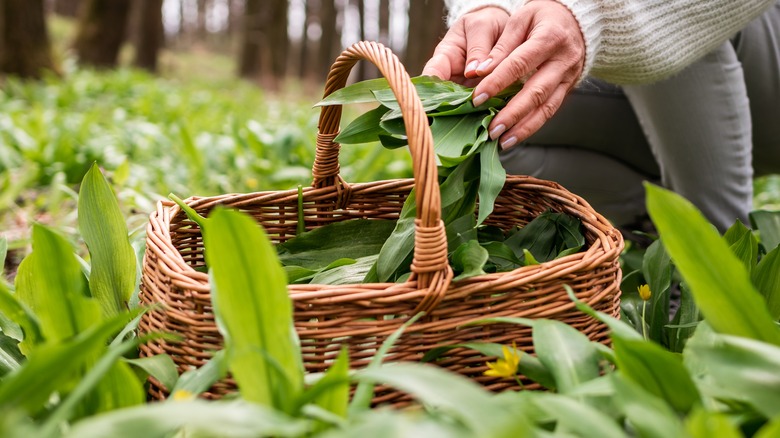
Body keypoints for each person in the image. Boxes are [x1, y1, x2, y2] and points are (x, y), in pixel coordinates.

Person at [423, 0, 780, 231]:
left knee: (669, 30)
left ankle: (719, 261)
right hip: (652, 101)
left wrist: (594, 17)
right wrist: (495, 10)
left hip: (757, 70)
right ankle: (659, 222)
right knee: (493, 124)